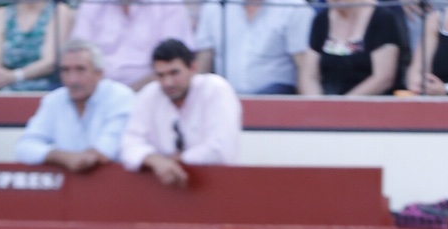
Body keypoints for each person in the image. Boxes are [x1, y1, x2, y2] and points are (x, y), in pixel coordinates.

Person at [120, 38, 241, 188]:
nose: (168, 82)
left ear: (193, 68)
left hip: (217, 184)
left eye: (174, 73)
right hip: (161, 189)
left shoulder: (216, 89)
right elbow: (129, 144)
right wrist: (155, 161)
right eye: (161, 75)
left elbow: (220, 150)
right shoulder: (149, 94)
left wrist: (174, 162)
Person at [14, 39, 136, 170]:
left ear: (100, 73)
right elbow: (23, 148)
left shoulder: (120, 97)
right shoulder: (54, 100)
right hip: (67, 186)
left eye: (80, 70)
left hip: (115, 184)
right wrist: (61, 156)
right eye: (66, 70)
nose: (72, 79)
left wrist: (66, 158)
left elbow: (105, 151)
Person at [68, 0, 199, 90]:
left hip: (152, 93)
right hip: (96, 96)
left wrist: (126, 95)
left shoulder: (169, 4)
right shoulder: (91, 4)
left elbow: (174, 63)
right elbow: (77, 55)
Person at [192, 0, 315, 95]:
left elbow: (305, 68)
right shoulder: (216, 6)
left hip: (276, 98)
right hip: (225, 98)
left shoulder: (295, 7)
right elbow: (203, 64)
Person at [301, 0, 410, 96]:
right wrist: (318, 104)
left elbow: (383, 78)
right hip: (325, 105)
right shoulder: (321, 20)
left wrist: (342, 107)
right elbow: (309, 76)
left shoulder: (383, 18)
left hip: (371, 105)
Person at [0, 0, 74, 92]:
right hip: (6, 89)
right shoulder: (1, 14)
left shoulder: (59, 11)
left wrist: (14, 76)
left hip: (46, 90)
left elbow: (50, 62)